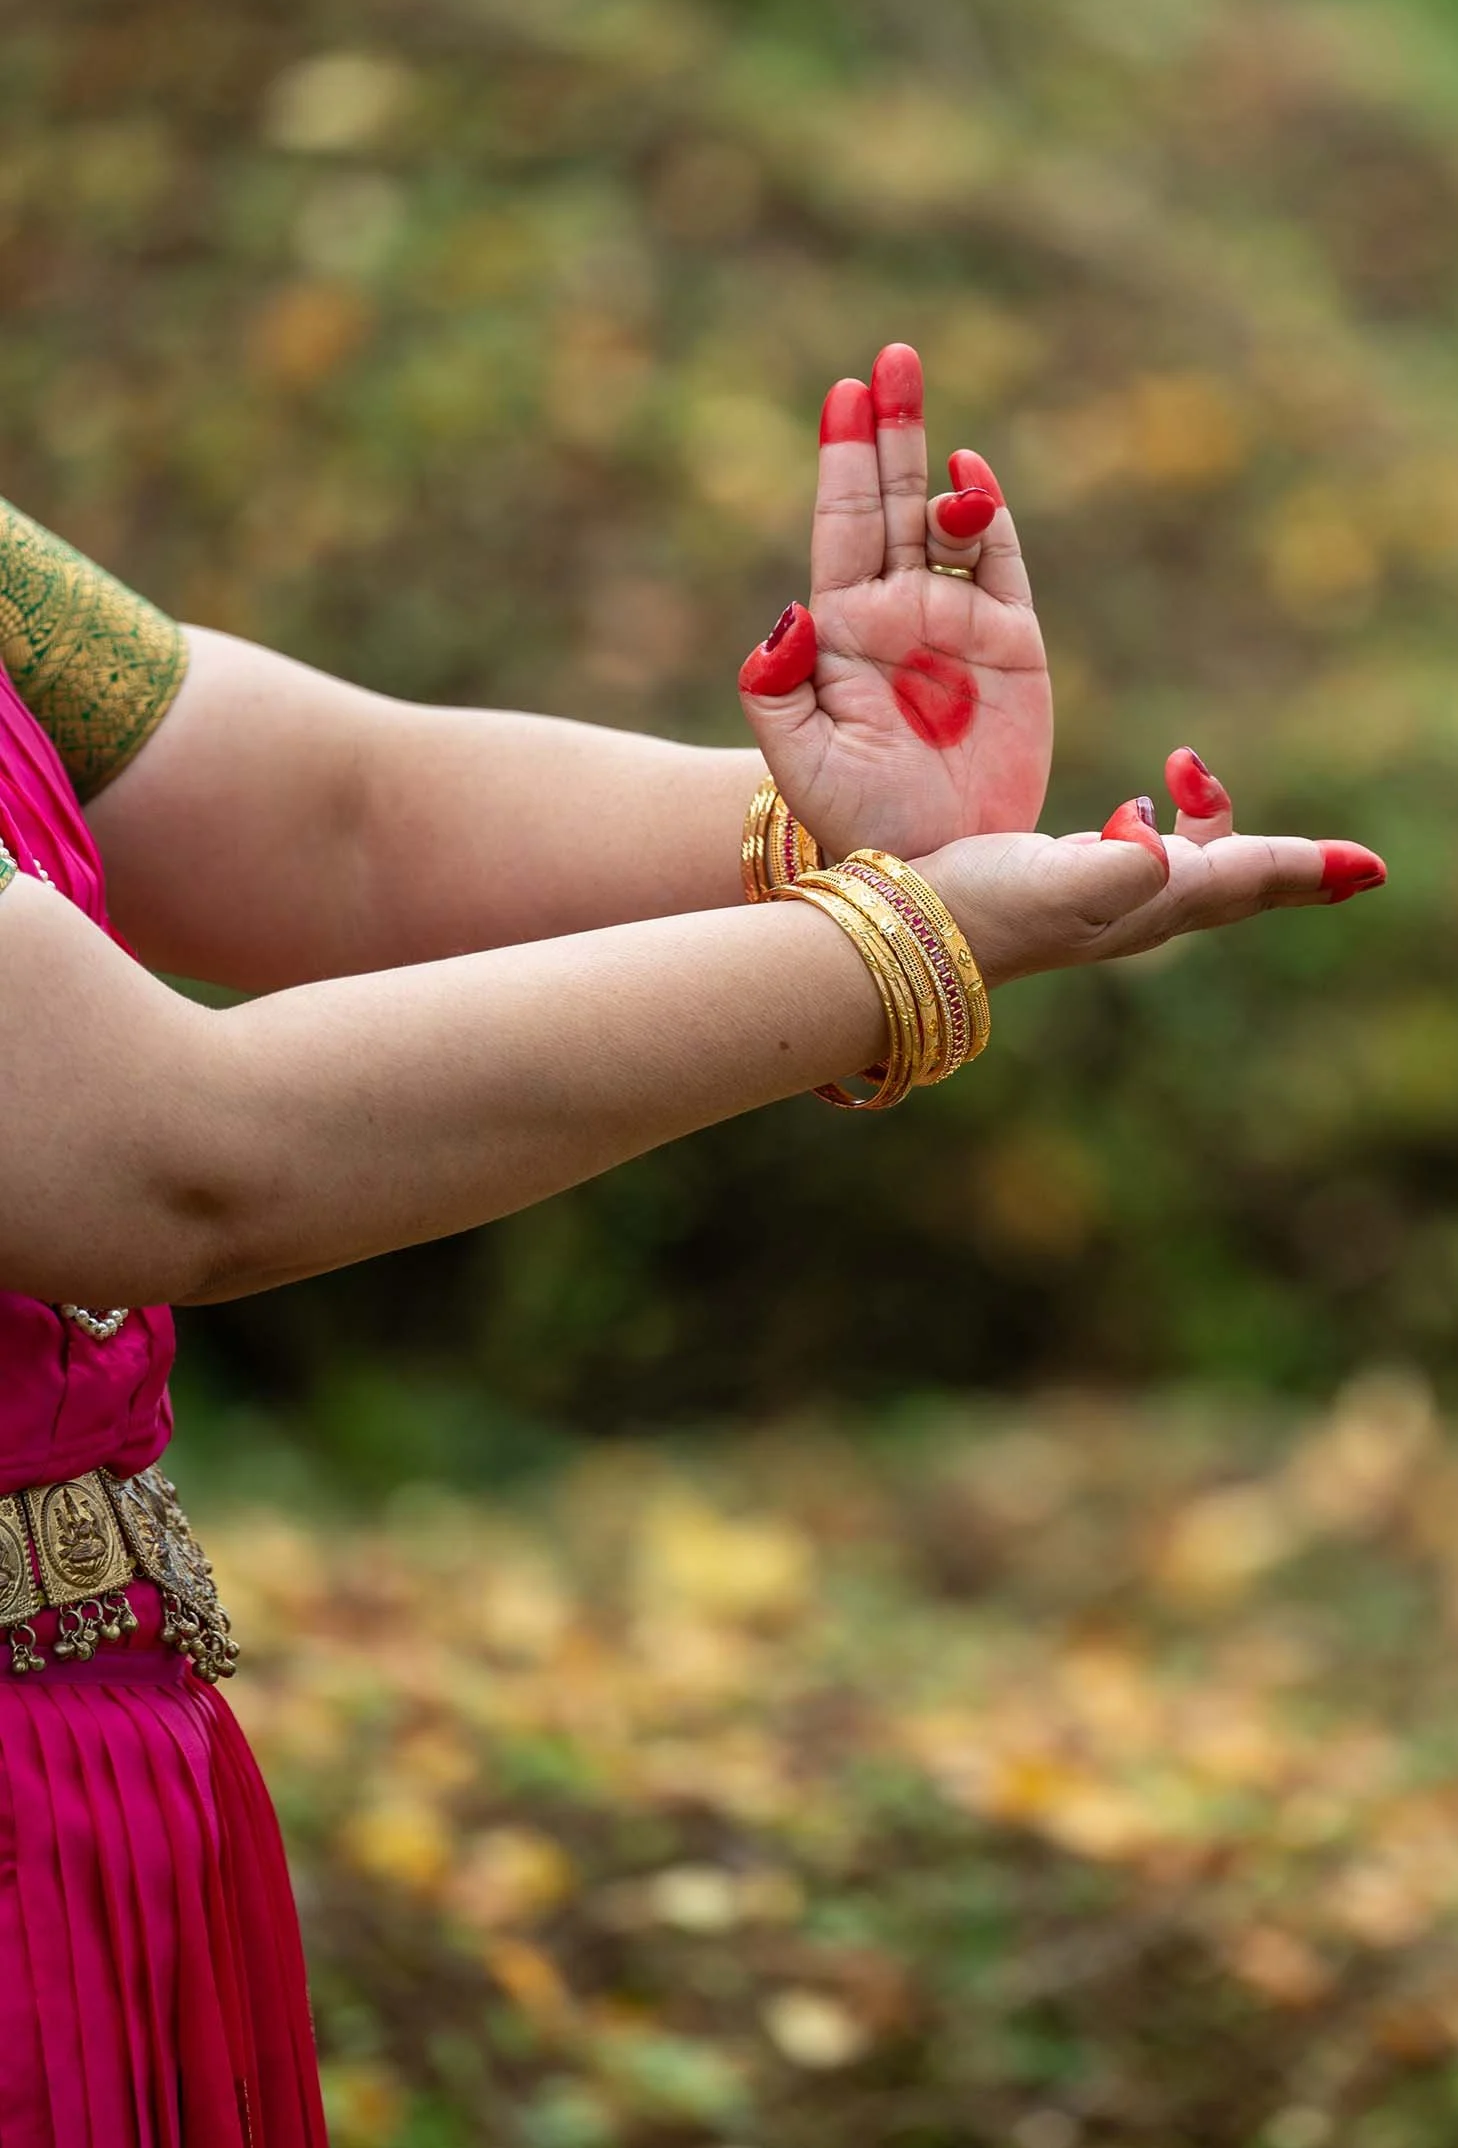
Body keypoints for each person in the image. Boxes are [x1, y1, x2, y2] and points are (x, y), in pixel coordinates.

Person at [0, 343, 1385, 2145]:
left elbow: (331, 814)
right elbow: (180, 1160)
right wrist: (898, 942)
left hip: (106, 1810)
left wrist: (854, 824)